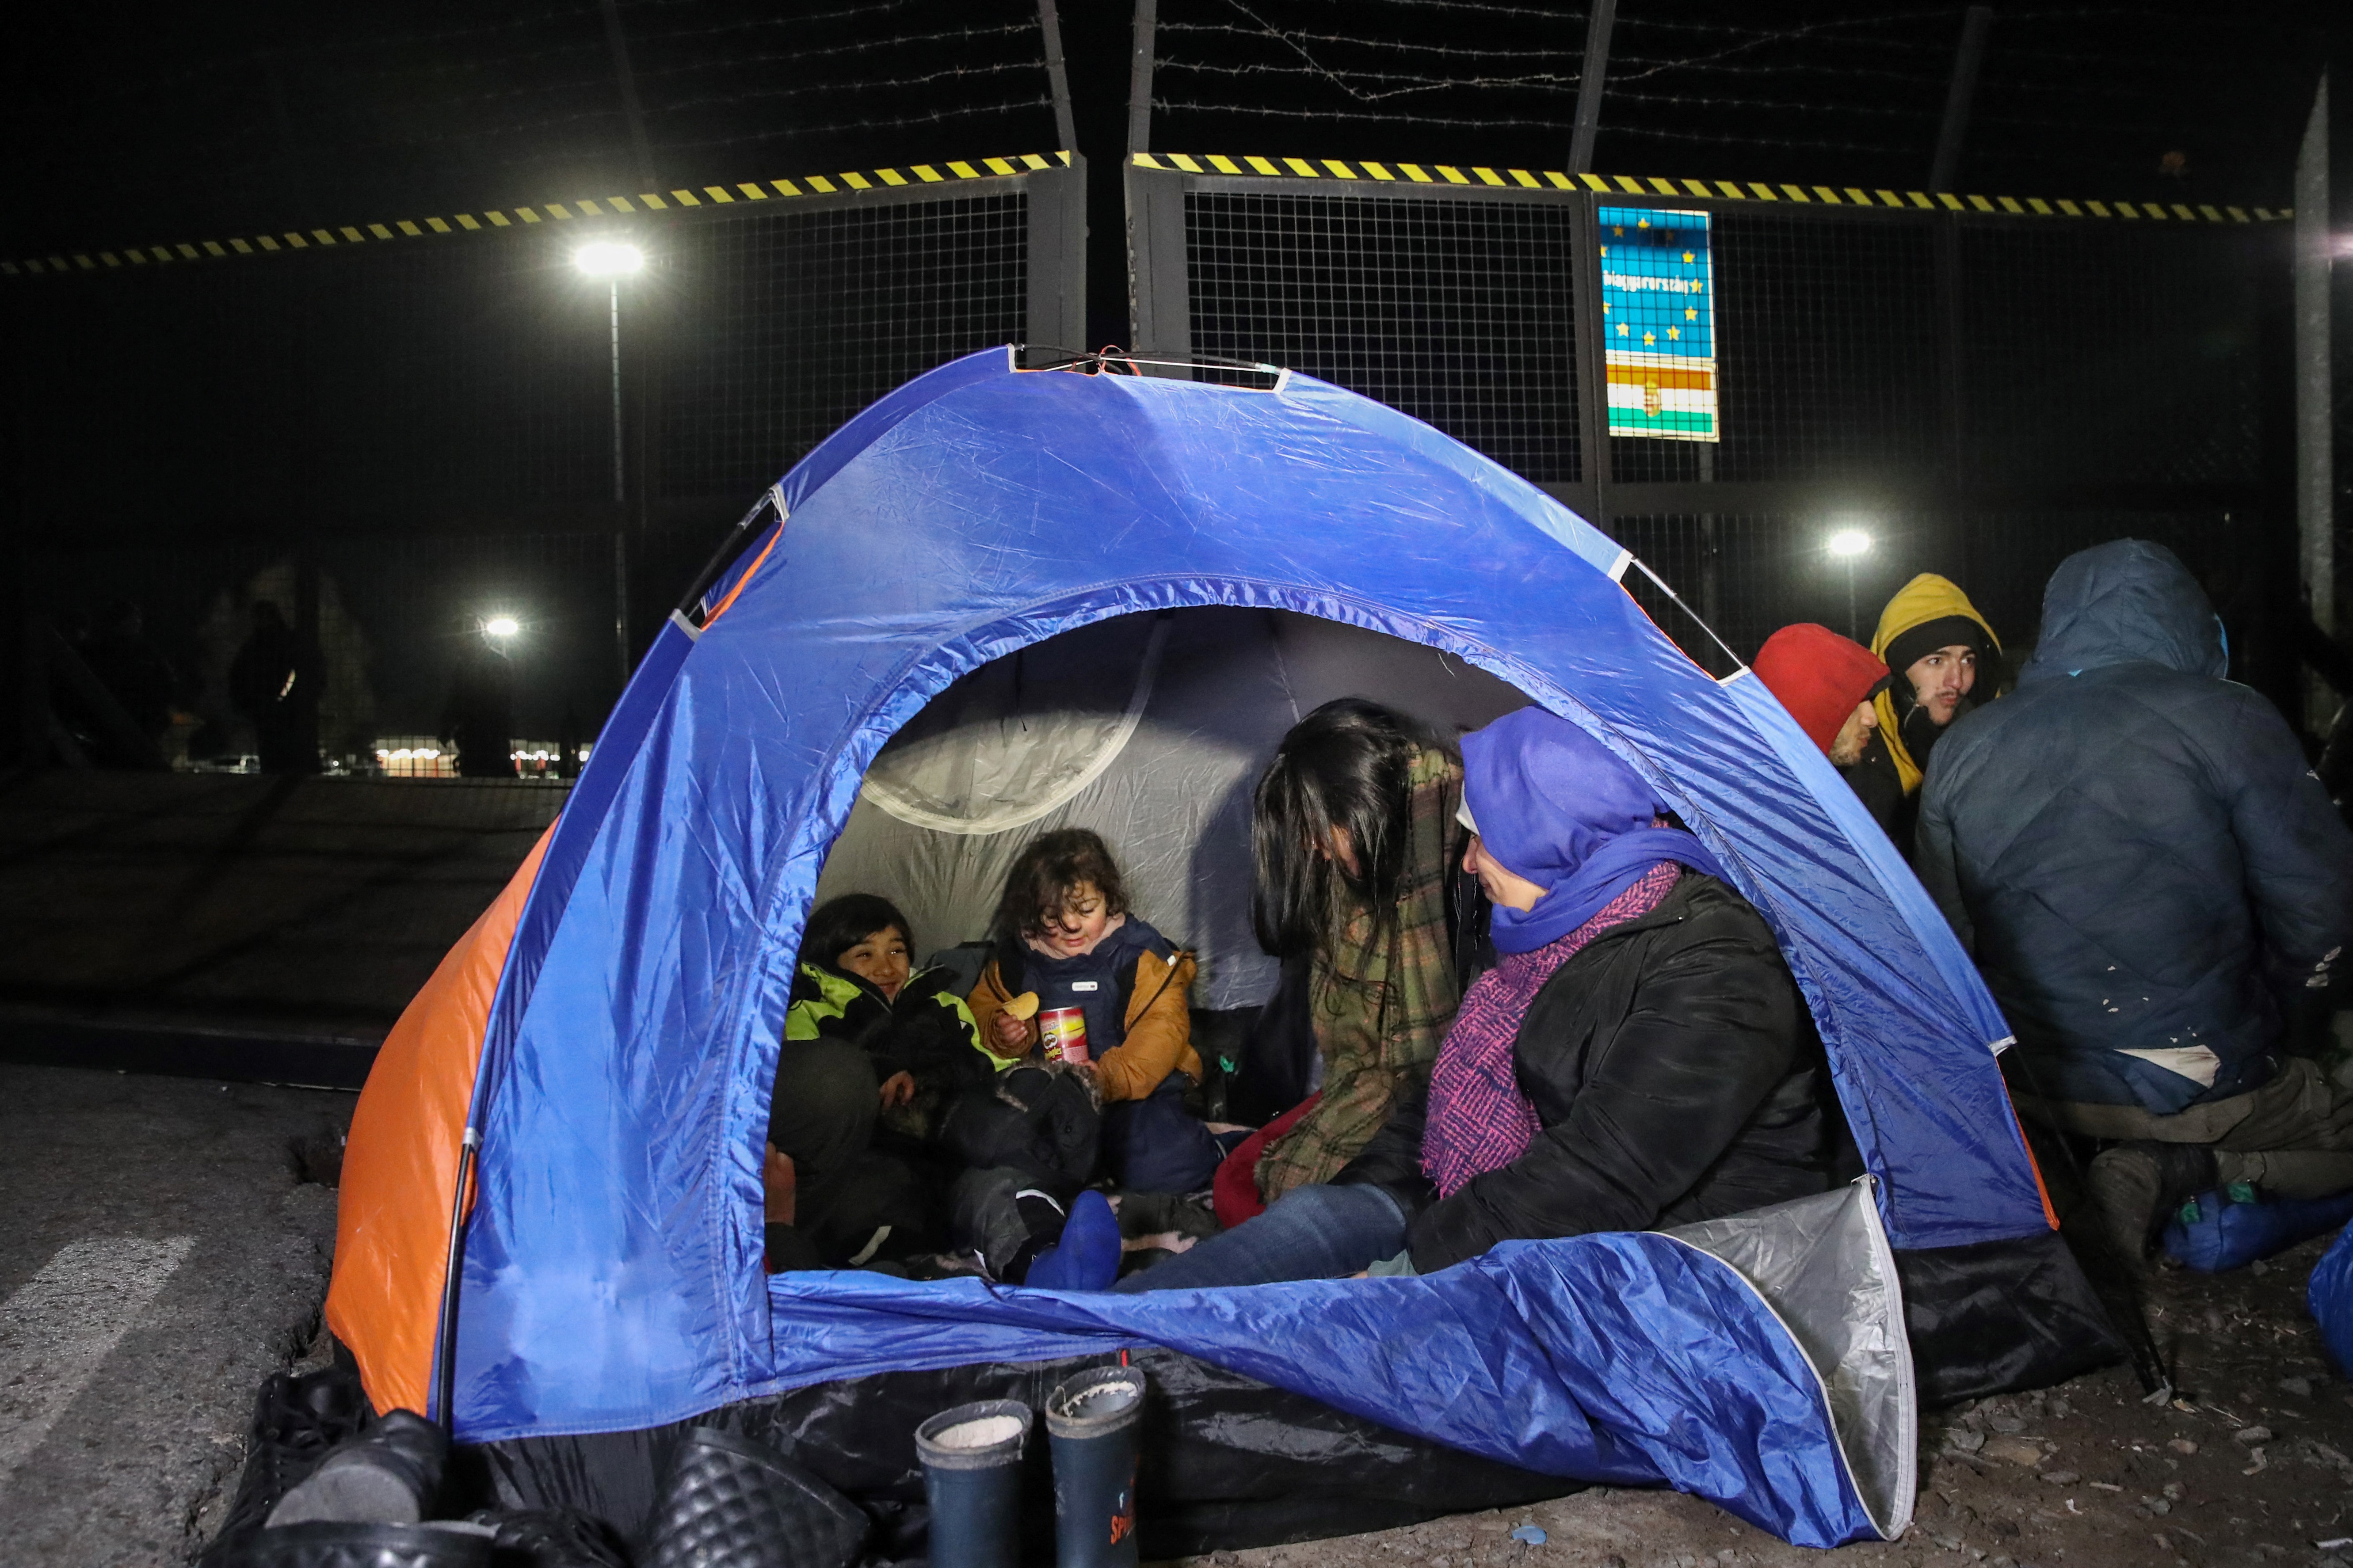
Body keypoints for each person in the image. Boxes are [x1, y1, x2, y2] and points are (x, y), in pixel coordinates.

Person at [1115, 706, 1833, 1291]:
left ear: (1545, 836)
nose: (1463, 862)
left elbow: (1598, 1176)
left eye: (1481, 840)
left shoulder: (1714, 962)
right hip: (1486, 1210)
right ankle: (1093, 1336)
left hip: (1659, 1264)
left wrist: (1406, 1270)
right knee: (1306, 1223)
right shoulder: (1540, 927)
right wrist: (1359, 1198)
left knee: (1297, 1367)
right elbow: (1438, 1089)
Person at [1917, 540, 2353, 1267]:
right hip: (2200, 1075)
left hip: (2034, 1080)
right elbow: (2322, 915)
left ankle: (2082, 1168)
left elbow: (1945, 941)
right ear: (2191, 621)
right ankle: (2193, 1168)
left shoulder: (1961, 747)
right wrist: (2286, 1024)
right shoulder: (2229, 716)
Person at [1229, 699, 1464, 1218]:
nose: (1314, 849)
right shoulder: (1359, 878)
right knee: (1248, 1180)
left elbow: (1429, 1063)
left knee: (1277, 1195)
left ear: (1362, 803)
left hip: (1441, 1099)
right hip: (1375, 1087)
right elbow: (1351, 1051)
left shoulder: (1469, 875)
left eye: (1318, 828)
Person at [967, 828, 1225, 1193]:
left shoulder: (1140, 954)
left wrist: (1106, 1079)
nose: (1072, 926)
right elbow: (980, 1009)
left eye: (1086, 910)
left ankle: (1207, 1148)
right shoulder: (1016, 958)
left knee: (1168, 1165)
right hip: (1050, 1097)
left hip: (1132, 1094)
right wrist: (1002, 1034)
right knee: (1002, 1161)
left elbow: (1161, 1030)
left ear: (1108, 897)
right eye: (1052, 917)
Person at [763, 895, 970, 1273]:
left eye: (897, 951)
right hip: (867, 1154)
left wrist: (1010, 1051)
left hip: (947, 1140)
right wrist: (880, 1069)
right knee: (876, 1192)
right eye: (864, 955)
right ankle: (897, 1266)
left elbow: (986, 1060)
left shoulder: (943, 1004)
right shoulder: (810, 1007)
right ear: (829, 961)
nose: (886, 967)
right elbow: (806, 1074)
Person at [1848, 575, 2000, 853]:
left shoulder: (2001, 753)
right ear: (1897, 669)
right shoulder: (1855, 763)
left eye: (1968, 660)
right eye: (1936, 661)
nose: (1956, 680)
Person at [1750, 623, 1895, 837]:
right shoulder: (1753, 813)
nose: (1872, 719)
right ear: (1811, 707)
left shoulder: (1870, 791)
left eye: (1871, 701)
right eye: (1855, 703)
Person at [229, 601, 320, 775]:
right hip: (281, 712)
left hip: (277, 712)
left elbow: (238, 678)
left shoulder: (255, 648)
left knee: (277, 759)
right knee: (282, 759)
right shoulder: (285, 643)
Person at [441, 627, 516, 779]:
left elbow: (458, 699)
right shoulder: (497, 661)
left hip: (478, 737)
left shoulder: (467, 666)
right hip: (492, 736)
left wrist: (448, 726)